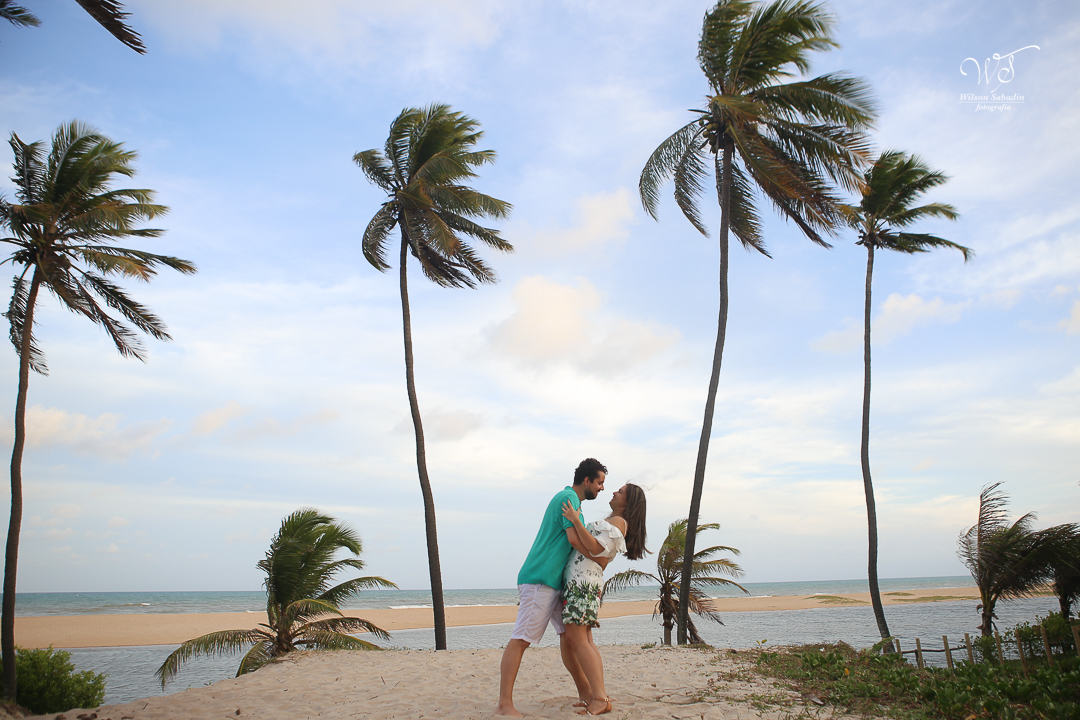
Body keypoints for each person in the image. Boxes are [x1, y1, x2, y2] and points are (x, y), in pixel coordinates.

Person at [495, 458, 608, 718]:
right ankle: (504, 705)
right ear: (587, 480)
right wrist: (598, 560)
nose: (601, 488)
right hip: (540, 579)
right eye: (600, 482)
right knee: (522, 639)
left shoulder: (570, 499)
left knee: (569, 637)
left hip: (555, 581)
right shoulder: (570, 499)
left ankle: (586, 694)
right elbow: (572, 538)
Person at [560, 483, 647, 716]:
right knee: (582, 640)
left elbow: (596, 548)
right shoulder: (614, 520)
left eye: (620, 492)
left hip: (583, 583)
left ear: (628, 502)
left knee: (579, 641)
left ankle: (599, 697)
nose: (614, 493)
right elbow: (598, 555)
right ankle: (594, 695)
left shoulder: (619, 523)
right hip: (581, 581)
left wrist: (575, 520)